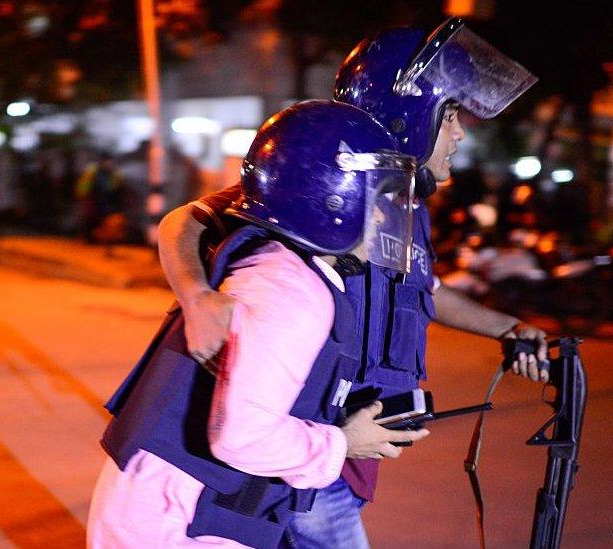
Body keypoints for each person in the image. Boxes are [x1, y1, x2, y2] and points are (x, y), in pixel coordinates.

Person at [157, 17, 548, 548]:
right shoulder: (325, 181)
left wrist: (507, 327)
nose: (459, 134)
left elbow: (421, 289)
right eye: (451, 117)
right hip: (298, 439)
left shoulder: (403, 203)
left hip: (342, 445)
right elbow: (183, 221)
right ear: (411, 117)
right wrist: (196, 296)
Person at [88, 100, 429, 548]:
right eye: (378, 200)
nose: (388, 217)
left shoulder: (281, 264)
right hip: (177, 523)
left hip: (171, 509)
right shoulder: (291, 294)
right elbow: (242, 437)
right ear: (333, 199)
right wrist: (342, 444)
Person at [75, 152, 125, 243]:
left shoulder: (113, 173)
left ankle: (101, 238)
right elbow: (84, 186)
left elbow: (116, 187)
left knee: (104, 220)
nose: (109, 164)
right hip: (93, 199)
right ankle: (89, 238)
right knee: (91, 219)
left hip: (106, 200)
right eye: (107, 161)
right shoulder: (93, 171)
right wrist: (85, 198)